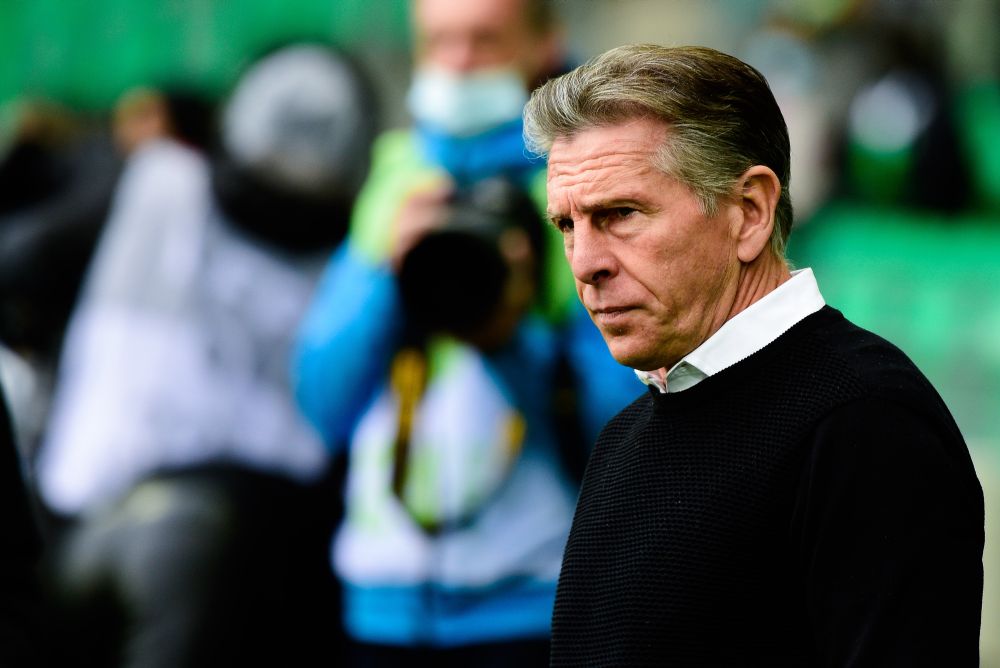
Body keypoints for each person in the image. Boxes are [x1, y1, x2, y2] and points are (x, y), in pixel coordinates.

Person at [522, 44, 985, 666]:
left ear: (749, 212)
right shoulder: (625, 438)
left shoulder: (865, 424)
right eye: (568, 226)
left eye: (621, 214)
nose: (585, 264)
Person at [292, 0, 637, 664]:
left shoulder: (581, 197)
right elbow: (319, 405)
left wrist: (509, 338)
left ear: (544, 46)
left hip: (535, 605)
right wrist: (389, 278)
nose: (457, 64)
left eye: (483, 41)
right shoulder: (394, 178)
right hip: (384, 603)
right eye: (439, 42)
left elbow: (625, 437)